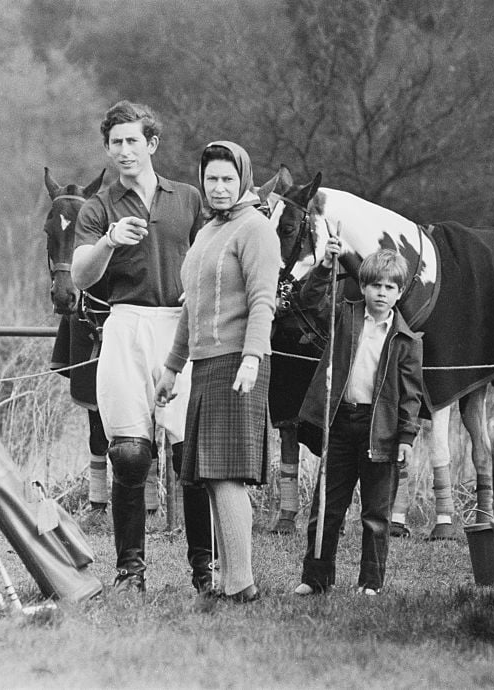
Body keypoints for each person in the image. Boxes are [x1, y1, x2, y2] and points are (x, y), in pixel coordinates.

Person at [71, 100, 211, 594]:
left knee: (192, 457)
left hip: (180, 325)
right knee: (130, 454)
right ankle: (130, 571)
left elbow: (211, 256)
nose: (124, 150)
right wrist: (108, 241)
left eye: (133, 141)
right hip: (125, 322)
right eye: (116, 143)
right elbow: (80, 276)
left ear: (151, 144)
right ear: (107, 149)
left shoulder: (188, 198)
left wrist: (201, 291)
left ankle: (205, 570)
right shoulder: (98, 207)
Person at [155, 141, 280, 603]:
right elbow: (192, 308)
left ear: (243, 179)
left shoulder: (257, 229)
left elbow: (263, 300)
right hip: (206, 365)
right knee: (210, 474)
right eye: (212, 179)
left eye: (229, 178)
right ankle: (231, 582)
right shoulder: (207, 231)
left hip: (239, 362)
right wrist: (172, 368)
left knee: (227, 474)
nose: (219, 187)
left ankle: (241, 583)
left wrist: (252, 357)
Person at [292, 239, 423, 596]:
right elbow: (311, 300)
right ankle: (316, 578)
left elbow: (411, 395)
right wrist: (325, 265)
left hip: (381, 432)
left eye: (390, 287)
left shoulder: (407, 340)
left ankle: (370, 583)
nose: (381, 293)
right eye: (375, 285)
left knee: (376, 515)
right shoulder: (344, 316)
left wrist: (407, 438)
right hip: (339, 424)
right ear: (362, 286)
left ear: (399, 293)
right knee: (326, 508)